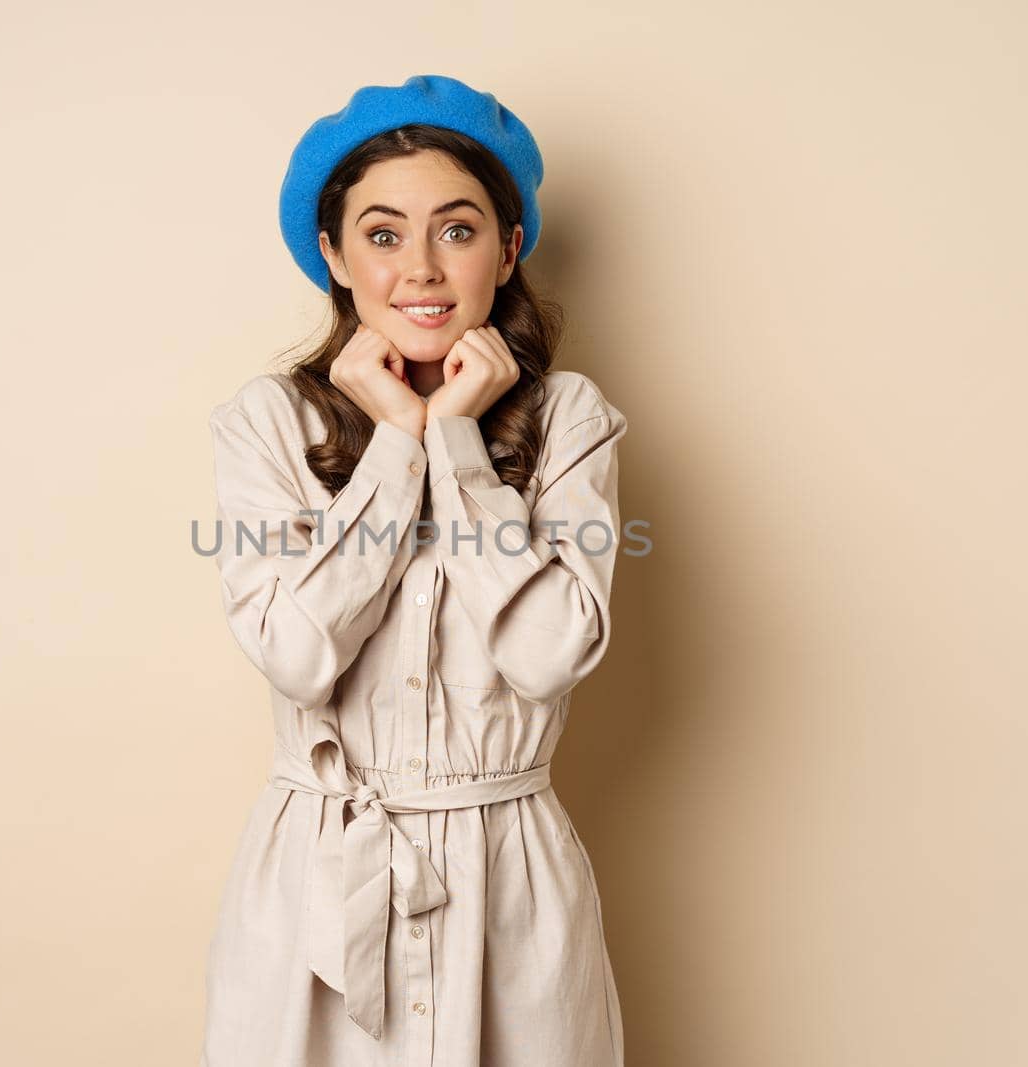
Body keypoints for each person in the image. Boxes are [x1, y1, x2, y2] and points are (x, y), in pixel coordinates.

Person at [201, 73, 628, 1066]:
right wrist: (396, 447)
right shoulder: (270, 423)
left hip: (511, 880)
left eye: (458, 228)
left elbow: (549, 651)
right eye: (383, 234)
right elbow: (297, 657)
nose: (422, 271)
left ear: (508, 247)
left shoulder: (568, 419)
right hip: (317, 881)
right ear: (334, 257)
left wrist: (457, 448)